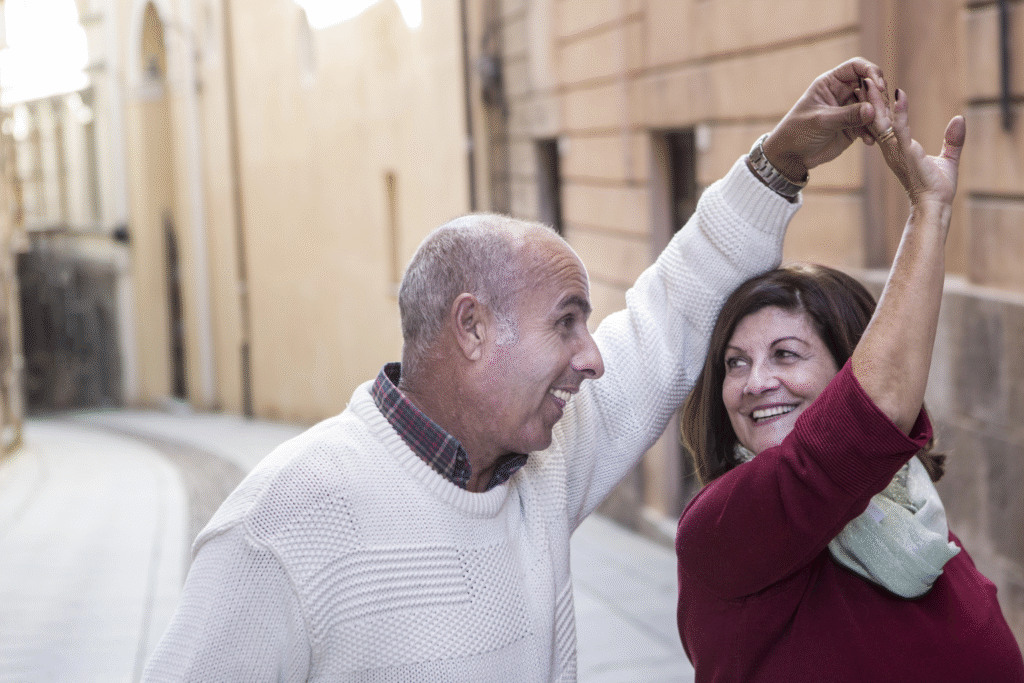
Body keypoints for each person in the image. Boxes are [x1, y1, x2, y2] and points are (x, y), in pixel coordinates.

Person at [143, 58, 886, 682]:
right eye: (566, 321)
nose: (592, 355)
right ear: (471, 328)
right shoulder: (281, 521)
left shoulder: (542, 461)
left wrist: (778, 164)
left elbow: (670, 314)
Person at [675, 80, 1024, 681]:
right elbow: (870, 418)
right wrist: (928, 210)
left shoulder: (906, 509)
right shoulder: (723, 527)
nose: (755, 381)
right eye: (735, 362)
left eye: (786, 354)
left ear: (847, 367)